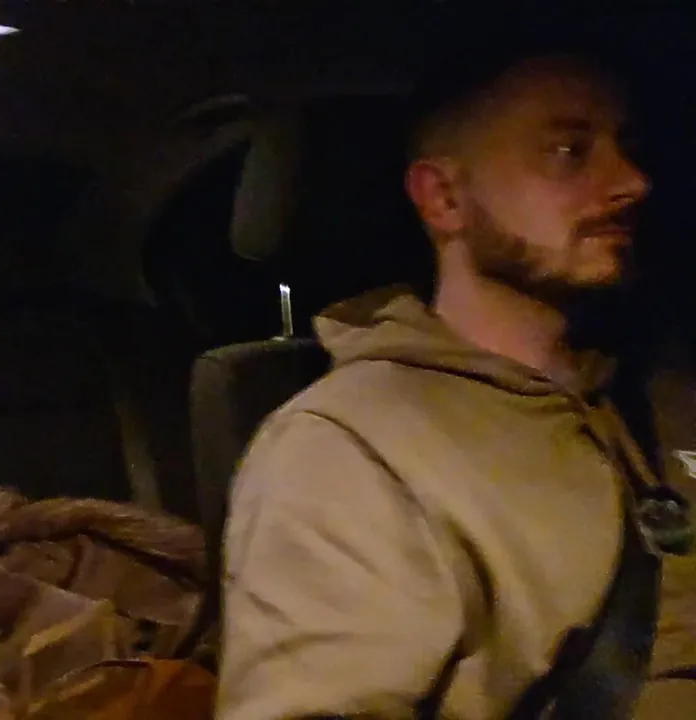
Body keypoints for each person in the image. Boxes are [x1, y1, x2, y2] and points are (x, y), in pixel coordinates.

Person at [215, 36, 670, 720]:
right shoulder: (348, 448)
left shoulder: (651, 391)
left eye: (625, 146)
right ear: (445, 198)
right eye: (569, 151)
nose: (632, 181)